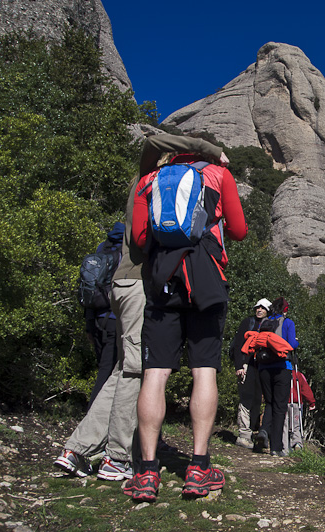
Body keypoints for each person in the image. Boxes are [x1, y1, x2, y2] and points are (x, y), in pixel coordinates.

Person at [54, 134, 228, 481]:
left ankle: (77, 448)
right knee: (138, 371)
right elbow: (153, 142)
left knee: (124, 368)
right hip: (139, 283)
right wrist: (209, 150)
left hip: (123, 283)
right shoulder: (153, 178)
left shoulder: (148, 182)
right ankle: (118, 457)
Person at [123, 136, 247, 503]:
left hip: (164, 280)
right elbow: (238, 232)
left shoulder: (150, 180)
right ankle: (198, 467)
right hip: (206, 279)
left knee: (156, 373)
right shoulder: (218, 174)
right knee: (204, 370)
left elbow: (140, 237)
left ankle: (146, 473)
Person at [84, 222, 124, 408]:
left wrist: (89, 325)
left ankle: (98, 418)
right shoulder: (127, 253)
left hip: (97, 317)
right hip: (114, 319)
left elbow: (90, 288)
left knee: (104, 368)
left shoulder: (102, 249)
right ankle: (92, 420)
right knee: (109, 372)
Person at [254, 297, 298, 457]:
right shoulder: (287, 323)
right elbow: (291, 344)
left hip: (264, 367)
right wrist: (296, 343)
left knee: (270, 403)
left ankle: (264, 430)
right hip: (282, 368)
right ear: (285, 309)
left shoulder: (264, 323)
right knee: (280, 408)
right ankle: (276, 447)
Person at [230, 298, 271, 449]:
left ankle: (253, 431)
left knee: (257, 400)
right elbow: (238, 344)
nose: (259, 310)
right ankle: (243, 435)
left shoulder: (270, 325)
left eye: (263, 308)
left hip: (262, 367)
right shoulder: (247, 323)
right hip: (248, 366)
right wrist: (239, 365)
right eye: (257, 308)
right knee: (246, 398)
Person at [282, 368, 315, 453]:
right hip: (296, 403)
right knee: (296, 425)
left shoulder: (281, 373)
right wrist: (311, 402)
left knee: (284, 425)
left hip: (283, 402)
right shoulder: (298, 375)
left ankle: (284, 448)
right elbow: (305, 389)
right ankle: (297, 443)